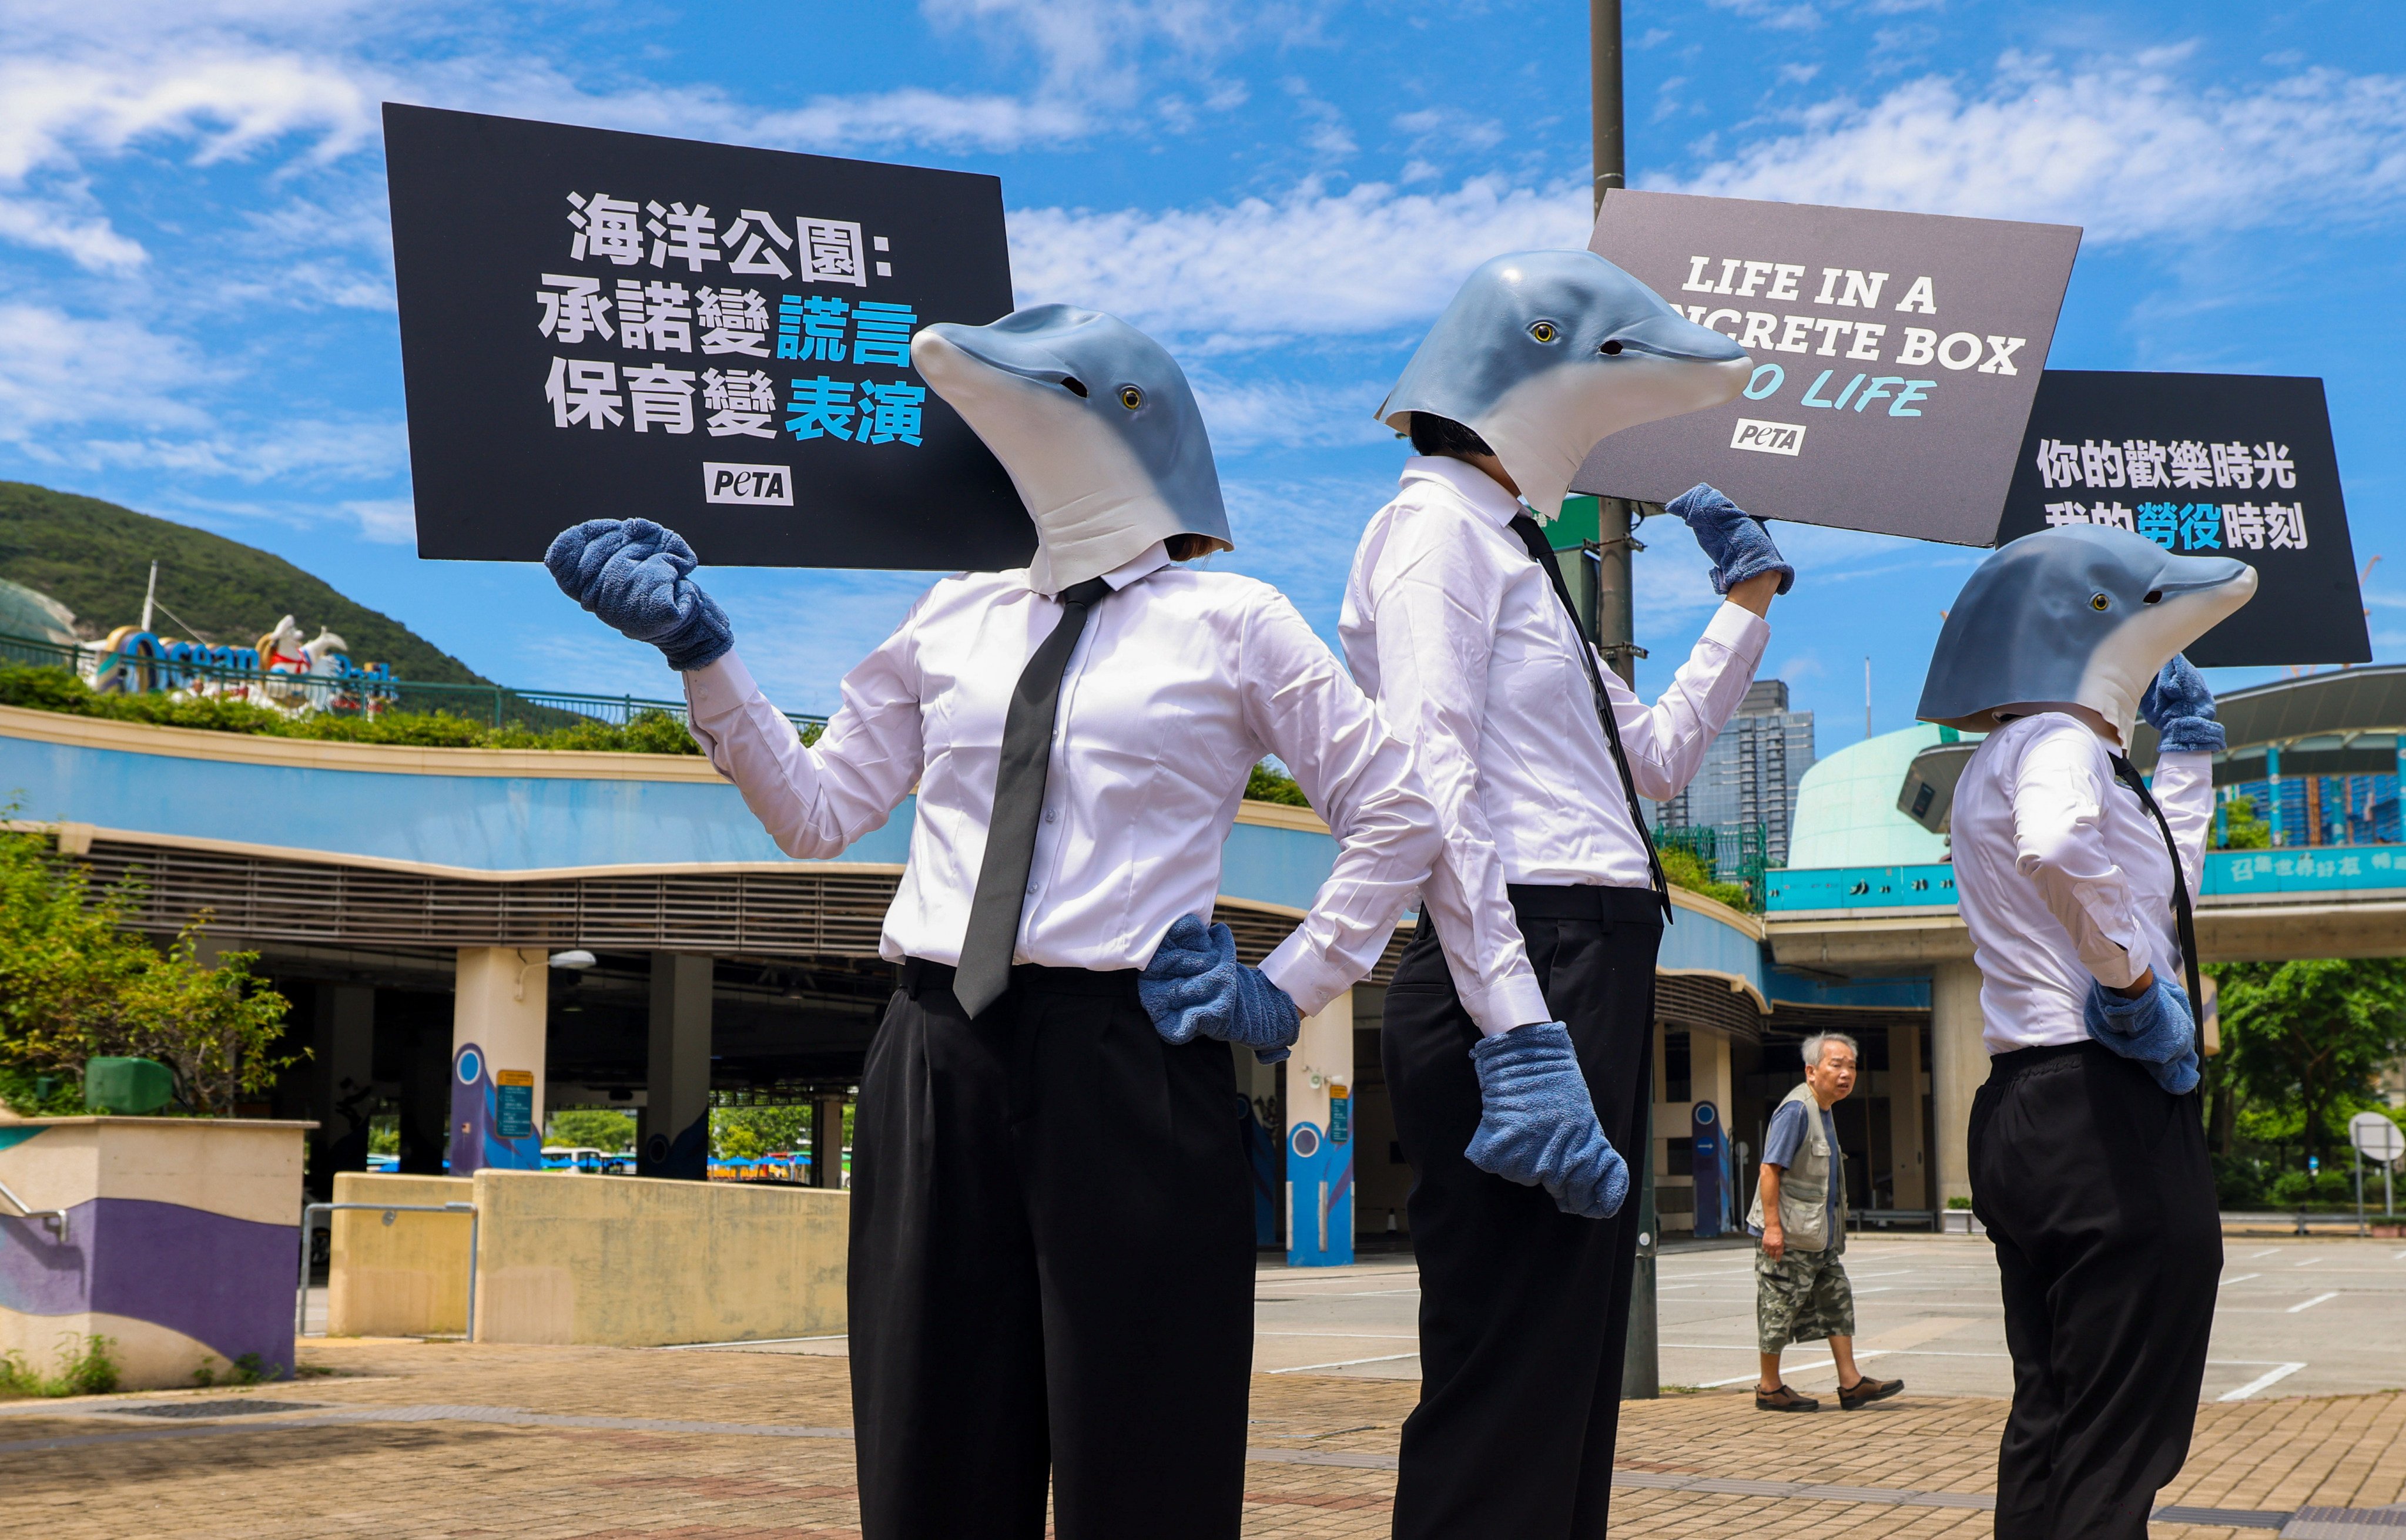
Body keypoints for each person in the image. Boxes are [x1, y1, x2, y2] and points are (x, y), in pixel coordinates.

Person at [543, 304, 1441, 1540]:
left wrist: (1287, 985)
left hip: (1130, 1059)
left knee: (1149, 1451)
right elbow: (818, 810)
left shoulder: (1234, 620)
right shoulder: (952, 611)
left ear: (1134, 426)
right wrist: (705, 655)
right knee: (929, 1439)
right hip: (934, 1049)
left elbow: (1395, 811)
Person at [1342, 248, 1789, 1539]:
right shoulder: (1433, 533)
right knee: (1508, 1363)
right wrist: (1522, 1028)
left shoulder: (1518, 551)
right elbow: (1434, 785)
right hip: (1525, 959)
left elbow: (1644, 762)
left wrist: (1742, 608)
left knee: (1562, 1361)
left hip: (1581, 950)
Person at [1917, 522, 2258, 1540]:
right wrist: (2128, 985)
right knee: (2117, 1433)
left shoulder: (2013, 756)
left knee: (2055, 1410)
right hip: (2099, 1106)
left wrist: (2187, 761)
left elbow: (2157, 896)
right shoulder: (2061, 741)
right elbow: (2061, 844)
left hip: (2025, 1109)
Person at [1747, 1031, 1902, 1412]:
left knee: (1837, 1298)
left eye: (1851, 1065)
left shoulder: (1825, 1110)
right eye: (1837, 1064)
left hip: (1819, 1236)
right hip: (1790, 1234)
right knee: (1778, 1307)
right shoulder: (1797, 1110)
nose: (1847, 1073)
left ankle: (1851, 1383)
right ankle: (1769, 1388)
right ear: (1812, 1071)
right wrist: (1772, 1227)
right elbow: (1769, 1169)